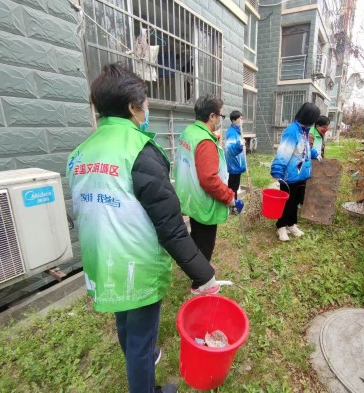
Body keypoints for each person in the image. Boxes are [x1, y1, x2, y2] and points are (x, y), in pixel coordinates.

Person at [66, 63, 221, 393]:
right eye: (146, 103)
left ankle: (143, 356)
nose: (147, 109)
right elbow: (171, 227)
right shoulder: (141, 152)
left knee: (124, 320)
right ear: (132, 108)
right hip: (134, 263)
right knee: (139, 339)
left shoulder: (79, 153)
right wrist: (203, 273)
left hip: (99, 258)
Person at [174, 94, 244, 261]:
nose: (220, 120)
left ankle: (196, 266)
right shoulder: (205, 141)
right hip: (203, 201)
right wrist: (230, 198)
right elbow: (209, 179)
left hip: (190, 196)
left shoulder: (189, 132)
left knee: (196, 235)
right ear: (212, 116)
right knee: (205, 243)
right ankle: (201, 281)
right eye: (220, 116)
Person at [270, 103, 320, 241]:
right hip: (289, 175)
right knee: (287, 203)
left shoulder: (304, 131)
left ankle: (291, 224)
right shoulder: (292, 131)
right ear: (309, 117)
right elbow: (284, 152)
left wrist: (315, 153)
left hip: (300, 173)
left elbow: (304, 150)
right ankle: (281, 227)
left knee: (295, 202)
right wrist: (277, 171)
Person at [225, 110, 247, 214]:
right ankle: (233, 207)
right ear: (234, 120)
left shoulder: (237, 131)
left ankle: (234, 204)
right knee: (233, 186)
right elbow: (229, 150)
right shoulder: (231, 133)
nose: (242, 121)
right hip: (233, 164)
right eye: (240, 119)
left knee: (235, 185)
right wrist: (239, 145)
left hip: (237, 164)